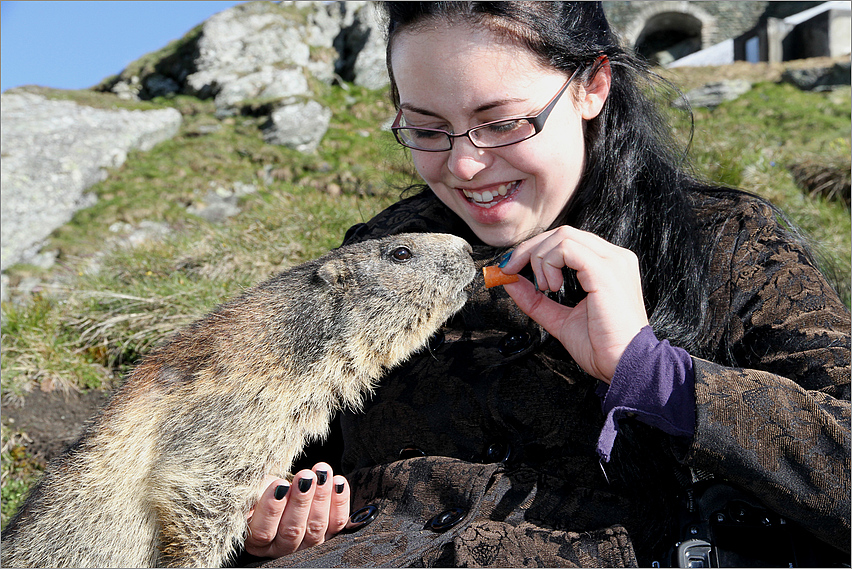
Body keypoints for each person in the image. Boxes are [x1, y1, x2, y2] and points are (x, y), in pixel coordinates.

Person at [237, 2, 851, 566]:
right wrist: (267, 521)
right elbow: (262, 464)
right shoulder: (375, 260)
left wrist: (651, 372)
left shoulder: (729, 243)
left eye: (501, 122)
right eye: (426, 129)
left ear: (592, 86)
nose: (464, 166)